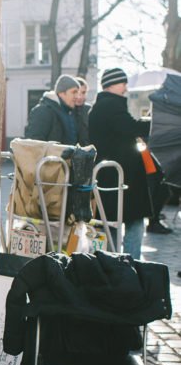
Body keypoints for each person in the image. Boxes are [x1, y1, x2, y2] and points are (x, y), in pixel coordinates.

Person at [88, 67, 152, 260]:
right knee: (133, 221)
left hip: (111, 175)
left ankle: (112, 264)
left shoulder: (101, 106)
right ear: (113, 84)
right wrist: (154, 122)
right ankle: (128, 265)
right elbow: (131, 128)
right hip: (122, 177)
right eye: (123, 83)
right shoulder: (111, 106)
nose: (125, 88)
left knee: (110, 223)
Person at [24, 74, 80, 144]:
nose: (77, 96)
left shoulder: (68, 113)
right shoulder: (43, 111)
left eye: (77, 93)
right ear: (61, 93)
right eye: (74, 92)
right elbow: (33, 144)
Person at [74, 76, 92, 146]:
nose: (80, 96)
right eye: (77, 92)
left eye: (83, 92)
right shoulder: (65, 111)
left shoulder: (90, 110)